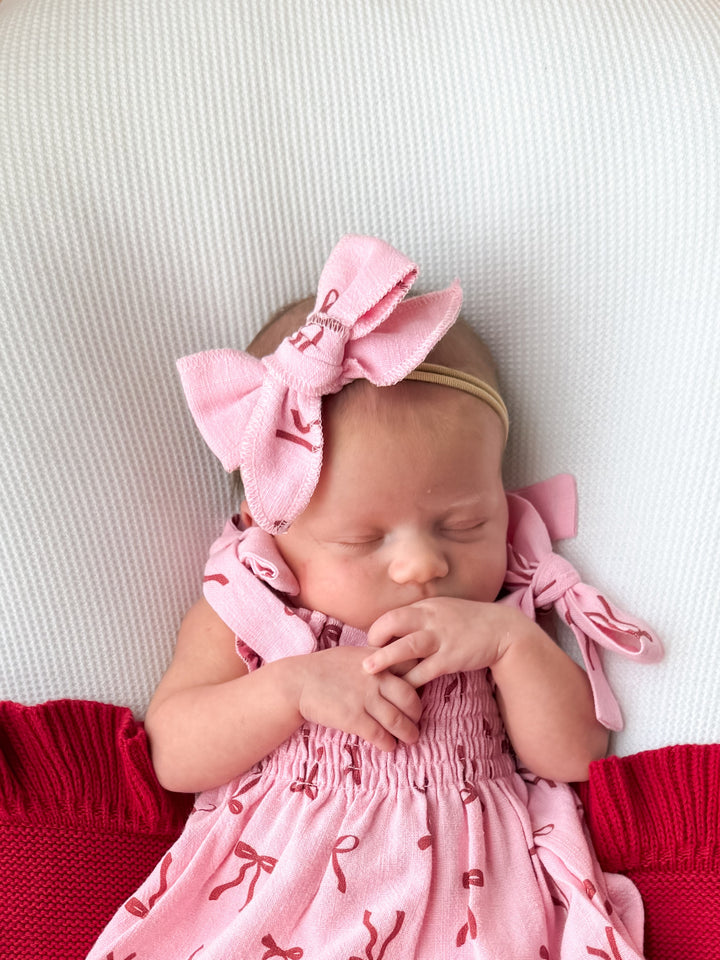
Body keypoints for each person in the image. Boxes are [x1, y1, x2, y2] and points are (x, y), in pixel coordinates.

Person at [87, 235, 662, 959]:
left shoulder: (495, 623)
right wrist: (289, 689)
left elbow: (577, 753)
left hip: (475, 903)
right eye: (363, 540)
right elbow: (173, 752)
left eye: (464, 523)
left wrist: (512, 645)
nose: (423, 564)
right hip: (284, 901)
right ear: (270, 529)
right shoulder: (257, 616)